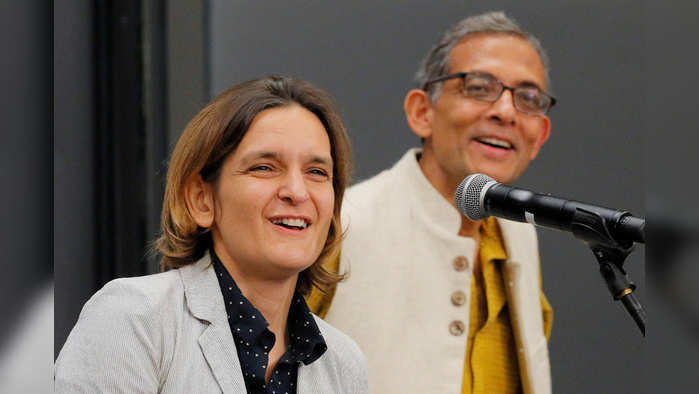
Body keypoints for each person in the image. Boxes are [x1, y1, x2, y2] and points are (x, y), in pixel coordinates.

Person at [55, 76, 368, 393]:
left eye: (317, 172)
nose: (297, 192)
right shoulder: (134, 320)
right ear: (201, 199)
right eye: (264, 167)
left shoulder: (343, 364)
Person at [307, 11, 555, 394]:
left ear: (540, 136)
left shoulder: (520, 234)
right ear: (422, 112)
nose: (505, 112)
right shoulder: (344, 221)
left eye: (528, 98)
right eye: (478, 87)